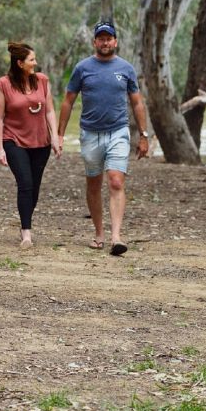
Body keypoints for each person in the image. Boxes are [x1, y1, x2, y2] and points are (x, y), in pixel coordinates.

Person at [57, 21, 149, 256]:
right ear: (95, 42)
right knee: (94, 183)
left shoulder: (126, 68)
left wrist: (144, 135)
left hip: (118, 131)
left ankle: (116, 236)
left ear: (115, 42)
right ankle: (99, 233)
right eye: (101, 38)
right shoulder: (82, 68)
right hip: (90, 134)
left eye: (109, 38)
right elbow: (68, 101)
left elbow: (137, 102)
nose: (105, 42)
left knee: (116, 181)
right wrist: (59, 134)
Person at [0, 42, 61, 249]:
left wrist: (55, 137)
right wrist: (0, 149)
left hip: (41, 142)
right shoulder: (3, 84)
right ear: (20, 63)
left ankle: (24, 221)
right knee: (25, 184)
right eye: (32, 60)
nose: (36, 63)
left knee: (35, 189)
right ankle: (26, 234)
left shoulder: (42, 81)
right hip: (13, 140)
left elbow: (49, 110)